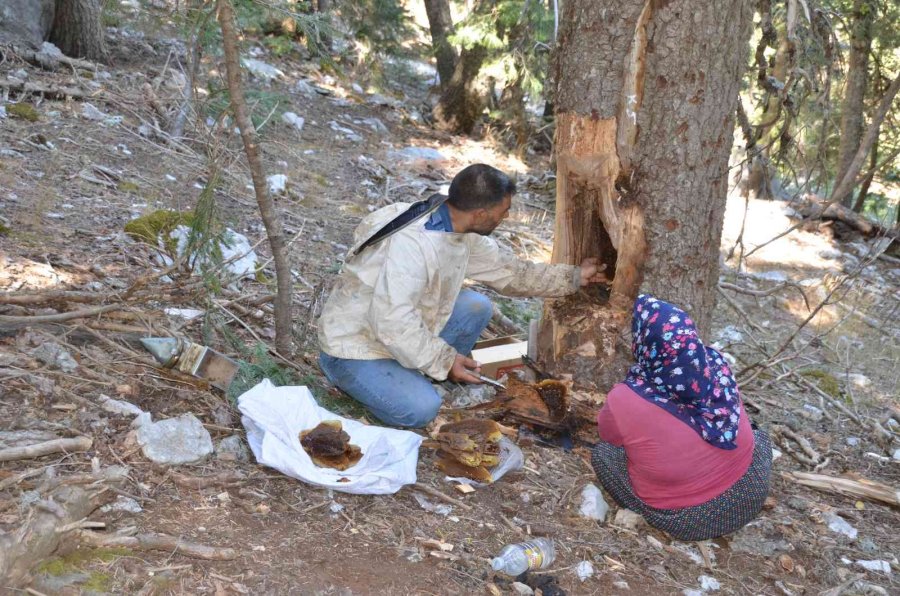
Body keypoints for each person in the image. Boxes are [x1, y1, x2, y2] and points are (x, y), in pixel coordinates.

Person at [318, 164, 606, 428]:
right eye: (503, 211)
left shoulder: (456, 227)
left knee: (476, 306)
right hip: (356, 348)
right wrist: (444, 360)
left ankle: (417, 372)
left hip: (396, 331)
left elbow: (511, 273)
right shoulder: (412, 245)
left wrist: (574, 276)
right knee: (422, 409)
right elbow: (392, 322)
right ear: (480, 214)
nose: (505, 217)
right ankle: (355, 377)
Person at [591, 294, 772, 541]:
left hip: (687, 520)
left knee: (602, 455)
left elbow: (607, 436)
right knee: (757, 434)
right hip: (752, 488)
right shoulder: (716, 363)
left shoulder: (624, 398)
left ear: (643, 343)